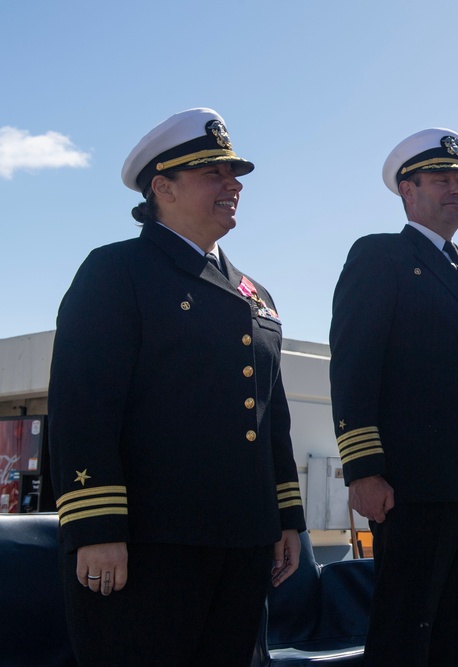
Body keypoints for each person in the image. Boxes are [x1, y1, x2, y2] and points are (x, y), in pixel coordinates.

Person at [47, 108, 305, 667]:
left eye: (234, 174)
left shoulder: (254, 292)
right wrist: (95, 528)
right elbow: (82, 408)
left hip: (242, 541)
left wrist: (287, 518)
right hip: (149, 547)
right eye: (214, 172)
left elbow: (270, 417)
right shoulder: (117, 272)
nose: (233, 185)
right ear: (162, 186)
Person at [328, 128, 458, 666]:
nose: (457, 190)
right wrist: (363, 470)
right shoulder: (380, 257)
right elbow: (354, 366)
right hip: (410, 484)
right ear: (407, 190)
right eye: (441, 179)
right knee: (405, 634)